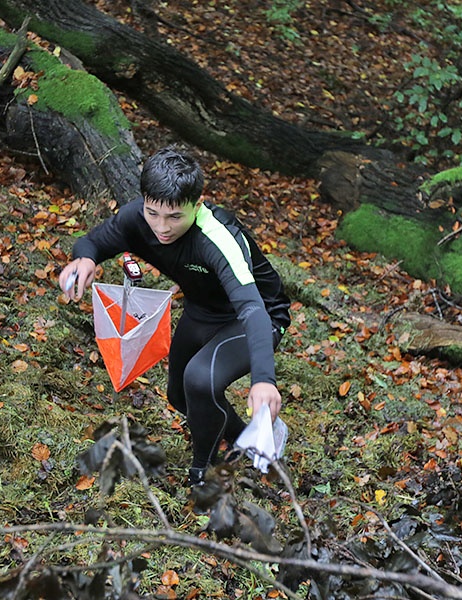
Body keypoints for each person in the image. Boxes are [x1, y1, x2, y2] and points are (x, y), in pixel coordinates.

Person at [58, 147, 291, 486]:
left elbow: (252, 307)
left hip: (259, 314)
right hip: (203, 309)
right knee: (179, 395)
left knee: (199, 379)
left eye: (174, 217)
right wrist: (85, 259)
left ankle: (203, 473)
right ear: (144, 201)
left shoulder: (216, 238)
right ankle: (257, 434)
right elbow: (94, 241)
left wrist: (264, 380)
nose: (161, 228)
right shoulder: (137, 219)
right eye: (153, 213)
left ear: (197, 206)